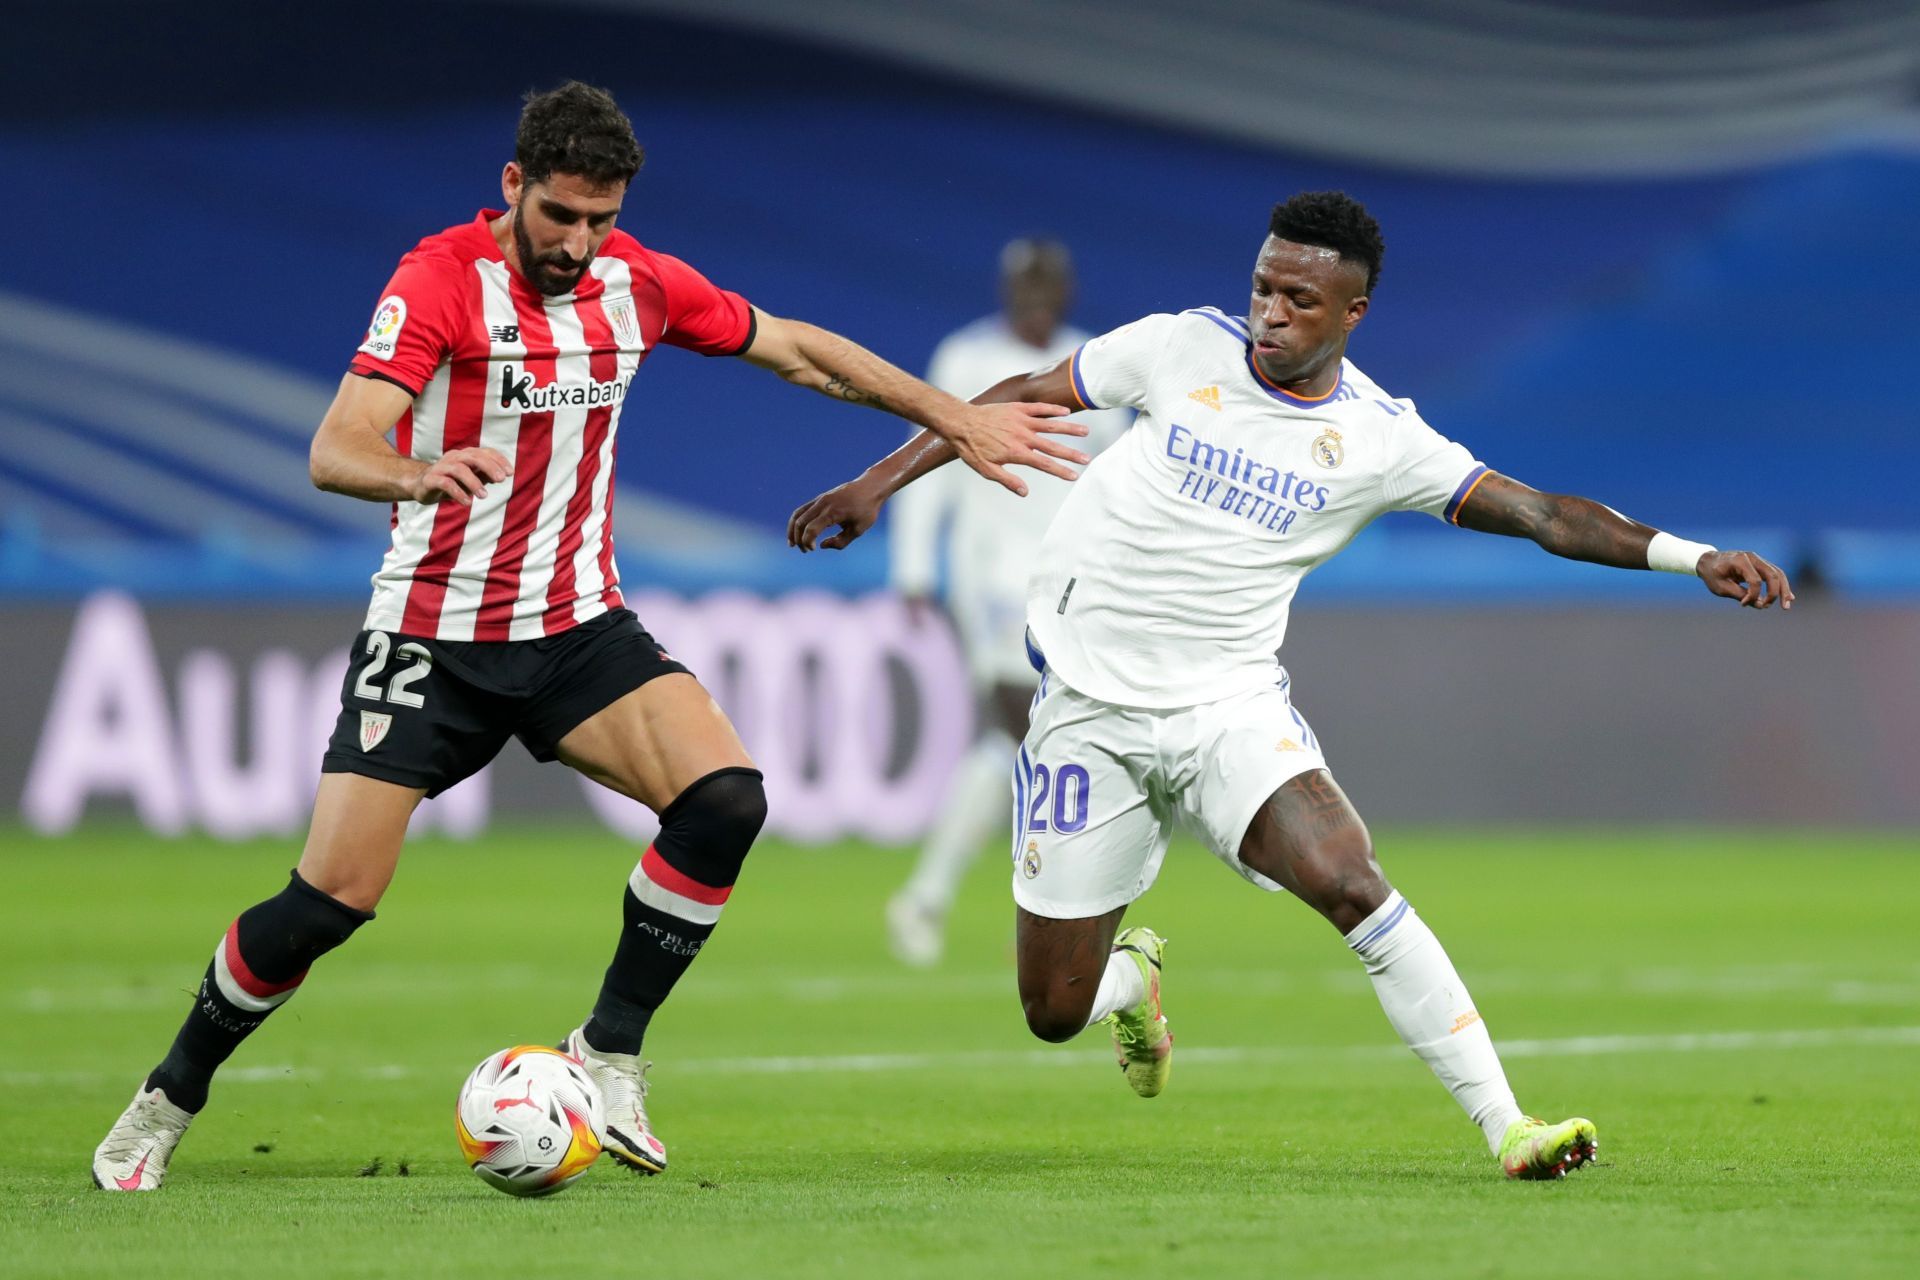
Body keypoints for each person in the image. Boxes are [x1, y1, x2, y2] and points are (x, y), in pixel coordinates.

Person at [90, 81, 1087, 1192]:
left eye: (599, 219)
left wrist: (953, 416)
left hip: (575, 629)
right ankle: (168, 1095)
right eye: (559, 215)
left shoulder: (639, 282)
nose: (577, 242)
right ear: (513, 186)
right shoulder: (439, 281)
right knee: (329, 903)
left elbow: (797, 347)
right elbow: (336, 444)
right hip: (434, 637)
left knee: (725, 800)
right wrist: (417, 470)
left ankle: (607, 1049)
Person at [788, 190, 1794, 1179]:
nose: (1270, 312)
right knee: (1053, 1009)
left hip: (1227, 707)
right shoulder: (1180, 347)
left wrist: (1686, 554)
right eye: (1264, 287)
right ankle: (1130, 978)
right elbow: (1019, 395)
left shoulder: (1379, 437)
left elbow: (1541, 512)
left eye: (1299, 300)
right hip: (1086, 712)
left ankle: (1508, 1122)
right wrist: (878, 481)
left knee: (1352, 880)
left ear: (1354, 312)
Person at [886, 239, 1129, 966]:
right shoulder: (964, 360)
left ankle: (948, 898)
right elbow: (923, 463)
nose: (1037, 300)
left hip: (1075, 587)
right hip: (993, 582)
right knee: (1017, 730)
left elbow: (1113, 482)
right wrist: (912, 570)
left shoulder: (1094, 362)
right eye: (1026, 287)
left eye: (1049, 286)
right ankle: (947, 899)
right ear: (1006, 290)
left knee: (1028, 746)